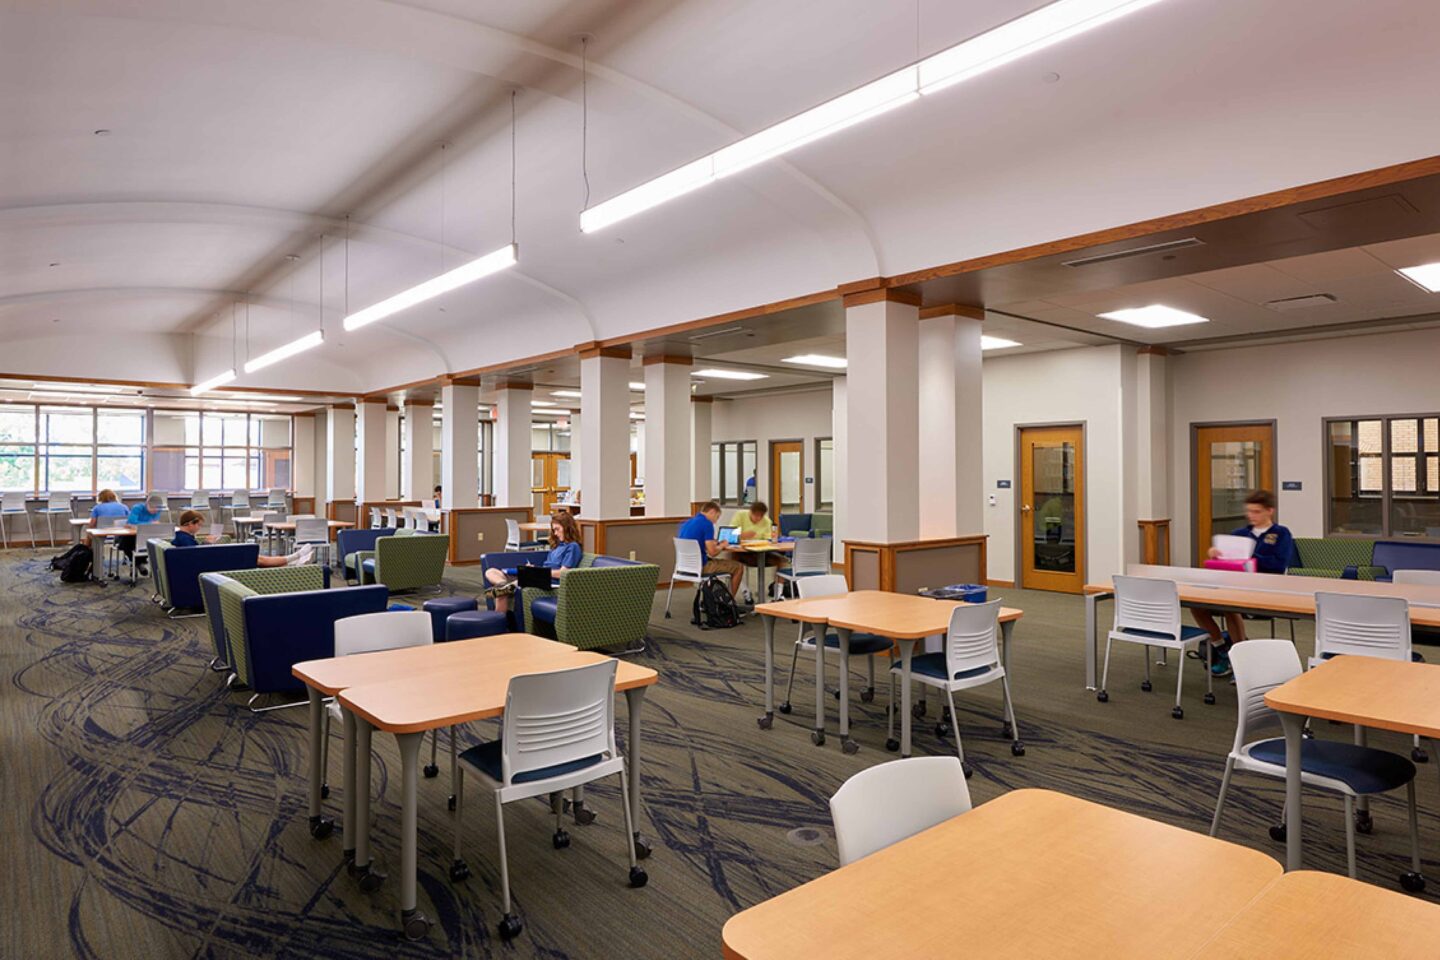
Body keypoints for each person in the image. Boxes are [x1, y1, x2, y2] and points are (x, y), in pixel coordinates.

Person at [1191, 489, 1295, 678]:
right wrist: (1216, 554)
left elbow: (1279, 565)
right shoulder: (1239, 534)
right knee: (1196, 606)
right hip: (1235, 586)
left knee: (1231, 606)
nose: (1251, 516)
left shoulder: (1281, 534)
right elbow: (1226, 565)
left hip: (1265, 588)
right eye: (1249, 511)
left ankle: (1240, 659)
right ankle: (1221, 648)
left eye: (1256, 511)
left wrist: (1250, 557)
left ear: (1269, 511)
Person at [484, 511, 583, 613]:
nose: (556, 533)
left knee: (502, 594)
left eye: (557, 529)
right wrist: (534, 569)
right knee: (491, 571)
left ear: (567, 528)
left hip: (551, 582)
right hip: (540, 576)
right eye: (554, 530)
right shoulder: (556, 546)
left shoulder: (573, 547)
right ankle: (503, 585)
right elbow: (548, 566)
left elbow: (563, 572)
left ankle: (501, 620)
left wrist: (538, 572)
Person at [172, 510, 311, 567]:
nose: (199, 529)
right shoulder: (184, 539)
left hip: (212, 560)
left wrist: (205, 543)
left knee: (257, 558)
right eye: (199, 526)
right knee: (257, 559)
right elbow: (194, 555)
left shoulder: (181, 537)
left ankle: (293, 559)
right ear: (190, 523)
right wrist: (207, 544)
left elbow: (193, 552)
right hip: (213, 563)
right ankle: (294, 558)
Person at [678, 500, 743, 598]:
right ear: (712, 511)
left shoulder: (687, 522)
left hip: (684, 566)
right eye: (717, 517)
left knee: (723, 563)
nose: (716, 522)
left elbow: (698, 543)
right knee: (738, 567)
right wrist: (722, 545)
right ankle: (729, 602)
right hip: (701, 567)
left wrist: (714, 543)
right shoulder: (707, 524)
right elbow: (712, 553)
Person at [731, 501, 778, 603]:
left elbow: (768, 538)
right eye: (756, 515)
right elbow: (730, 533)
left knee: (783, 562)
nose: (758, 518)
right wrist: (742, 535)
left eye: (761, 516)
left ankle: (778, 595)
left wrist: (770, 539)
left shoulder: (766, 521)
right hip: (741, 553)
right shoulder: (740, 515)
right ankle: (746, 592)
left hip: (761, 553)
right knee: (734, 564)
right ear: (750, 512)